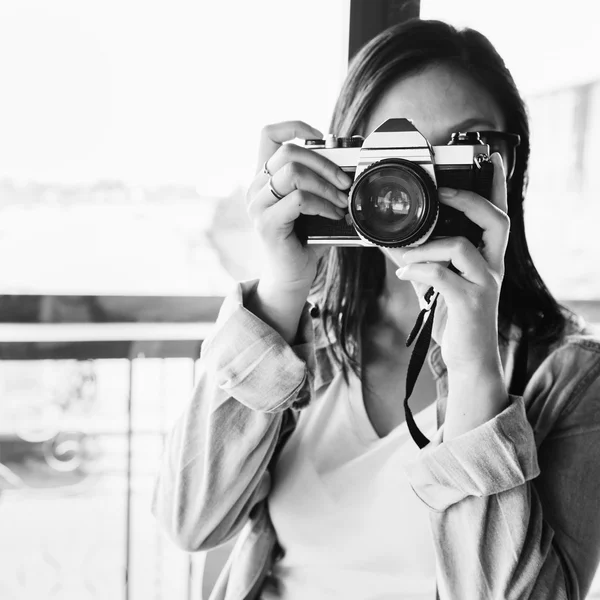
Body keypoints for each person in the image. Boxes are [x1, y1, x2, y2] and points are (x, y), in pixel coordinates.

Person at [152, 18, 600, 600]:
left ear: (508, 171)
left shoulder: (572, 375)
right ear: (346, 165)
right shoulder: (306, 342)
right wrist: (281, 291)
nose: (424, 180)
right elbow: (191, 524)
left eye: (462, 149)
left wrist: (473, 373)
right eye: (403, 152)